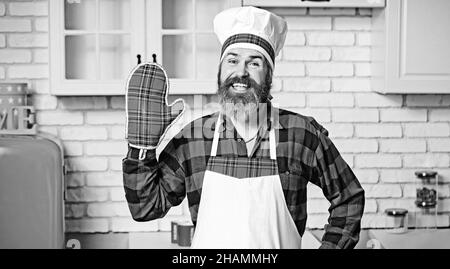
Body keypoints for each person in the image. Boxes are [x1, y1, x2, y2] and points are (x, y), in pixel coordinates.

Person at [122, 6, 365, 249]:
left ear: (268, 75)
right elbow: (146, 208)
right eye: (233, 60)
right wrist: (141, 148)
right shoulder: (193, 138)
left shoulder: (301, 135)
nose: (241, 72)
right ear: (220, 70)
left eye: (254, 63)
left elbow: (348, 197)